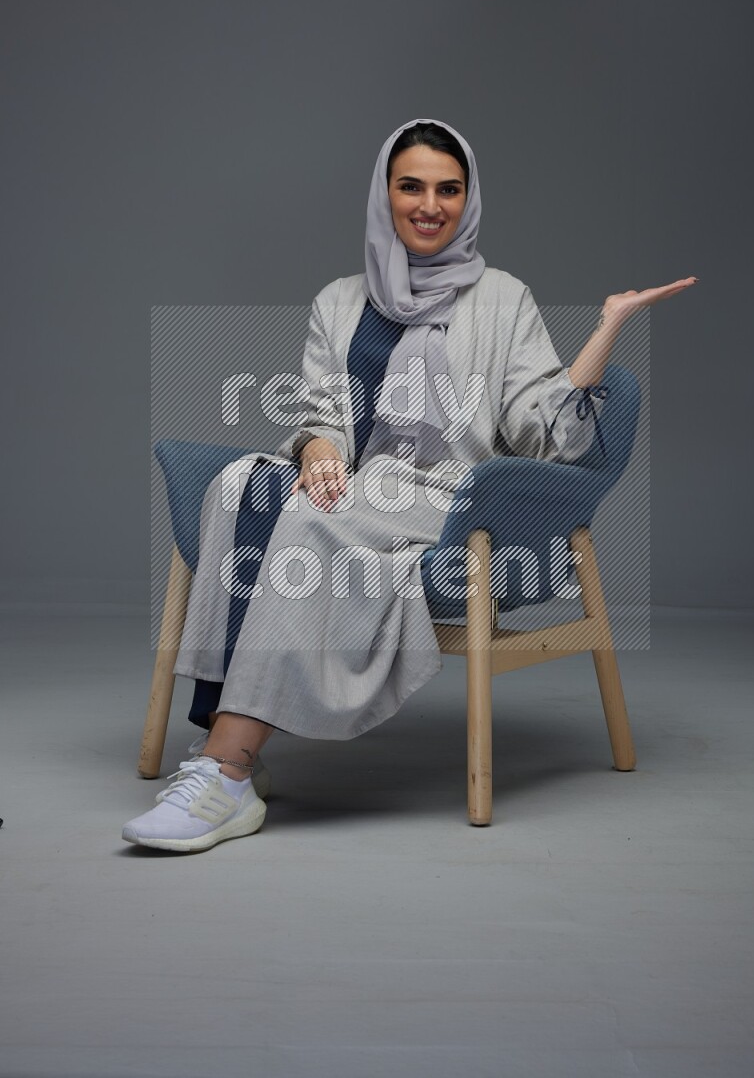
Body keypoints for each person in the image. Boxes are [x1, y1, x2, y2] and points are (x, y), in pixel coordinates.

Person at [123, 117, 696, 852]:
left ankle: (226, 769)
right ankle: (240, 748)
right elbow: (320, 406)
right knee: (240, 488)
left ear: (469, 198)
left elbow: (540, 427)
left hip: (454, 500)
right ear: (384, 195)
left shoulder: (503, 299)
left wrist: (607, 327)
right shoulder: (339, 299)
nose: (430, 205)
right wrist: (321, 449)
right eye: (412, 186)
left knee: (312, 518)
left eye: (449, 189)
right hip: (362, 487)